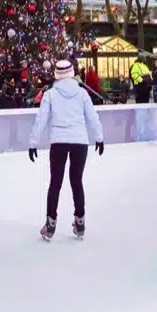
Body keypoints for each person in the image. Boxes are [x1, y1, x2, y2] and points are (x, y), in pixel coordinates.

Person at [28, 60, 105, 241]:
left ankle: (50, 224)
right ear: (71, 73)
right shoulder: (82, 93)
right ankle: (80, 224)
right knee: (76, 181)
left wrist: (33, 142)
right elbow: (92, 117)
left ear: (56, 74)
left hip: (59, 143)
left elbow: (41, 120)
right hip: (79, 142)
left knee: (55, 183)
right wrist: (99, 137)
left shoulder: (51, 94)